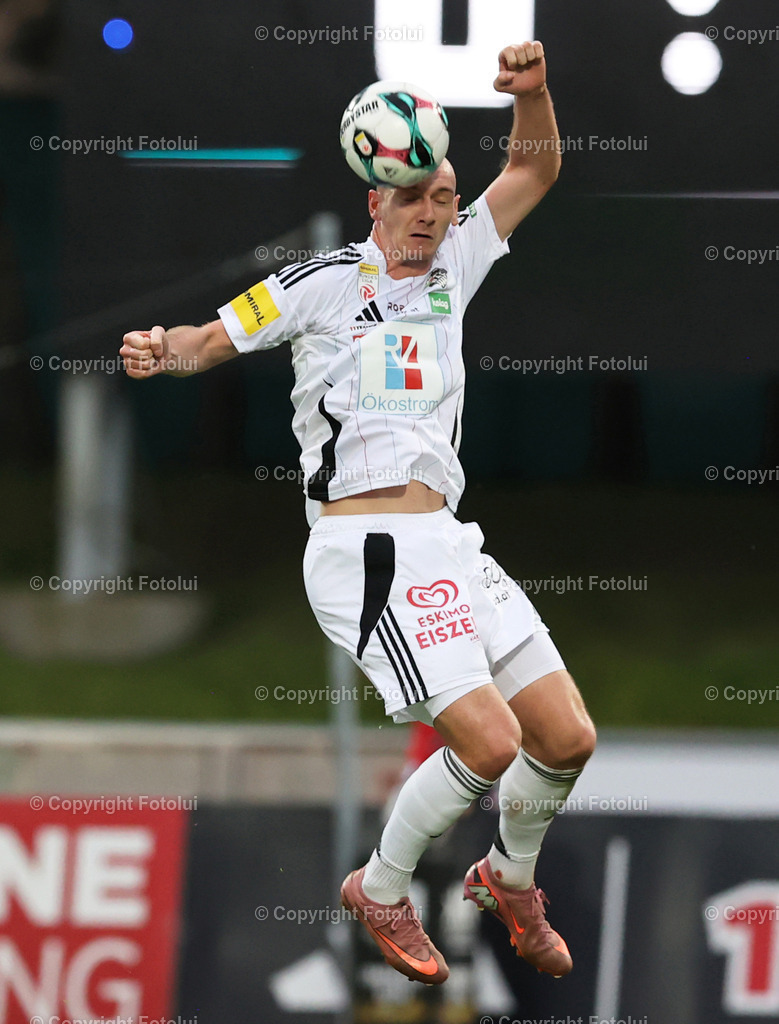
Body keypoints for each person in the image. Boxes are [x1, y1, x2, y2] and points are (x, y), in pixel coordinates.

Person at [121, 41, 596, 986]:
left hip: (449, 542)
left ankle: (508, 877)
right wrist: (161, 348)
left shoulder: (460, 256)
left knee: (566, 737)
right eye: (414, 197)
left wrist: (534, 94)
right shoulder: (320, 283)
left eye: (443, 194)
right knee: (492, 742)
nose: (434, 212)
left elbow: (534, 164)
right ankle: (380, 887)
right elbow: (213, 337)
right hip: (364, 547)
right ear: (375, 197)